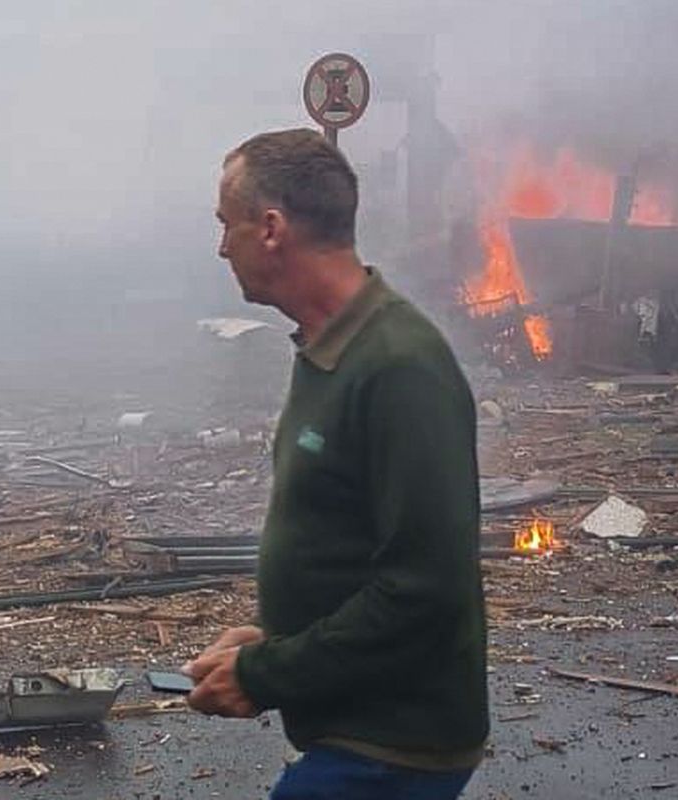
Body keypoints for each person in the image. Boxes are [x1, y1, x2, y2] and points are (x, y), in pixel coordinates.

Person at [184, 129, 488, 799]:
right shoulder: (331, 349)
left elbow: (424, 589)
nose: (219, 246)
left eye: (224, 224)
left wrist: (266, 675)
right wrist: (273, 636)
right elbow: (358, 543)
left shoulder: (399, 366)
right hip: (357, 731)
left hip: (392, 743)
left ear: (270, 229)